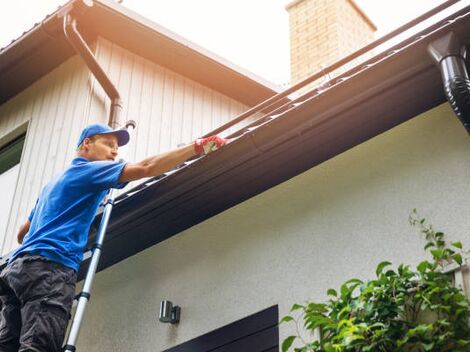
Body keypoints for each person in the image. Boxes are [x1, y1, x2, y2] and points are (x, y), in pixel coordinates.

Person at [0, 123, 227, 352]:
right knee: (39, 346)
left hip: (16, 271)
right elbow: (146, 167)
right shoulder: (88, 171)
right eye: (108, 144)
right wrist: (197, 147)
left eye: (116, 147)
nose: (115, 151)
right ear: (87, 144)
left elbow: (22, 233)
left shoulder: (52, 184)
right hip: (49, 268)